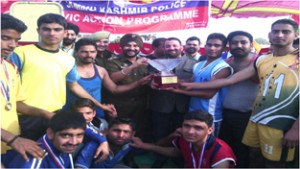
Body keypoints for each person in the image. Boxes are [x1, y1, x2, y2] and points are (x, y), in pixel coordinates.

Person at [180, 19, 299, 168]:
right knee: (252, 155)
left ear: (296, 35)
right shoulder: (262, 60)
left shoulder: (296, 58)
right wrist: (188, 84)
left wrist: (297, 128)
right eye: (275, 31)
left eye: (285, 32)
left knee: (276, 162)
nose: (279, 35)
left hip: (280, 120)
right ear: (269, 35)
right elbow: (230, 81)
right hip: (255, 118)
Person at [9, 13, 116, 141]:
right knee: (25, 156)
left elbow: (74, 85)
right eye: (46, 29)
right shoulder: (20, 53)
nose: (52, 33)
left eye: (57, 29)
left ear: (64, 32)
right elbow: (8, 86)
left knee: (52, 155)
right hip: (25, 115)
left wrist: (100, 105)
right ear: (38, 30)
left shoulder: (68, 59)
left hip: (56, 114)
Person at [1, 13, 54, 166]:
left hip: (8, 144)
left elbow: (16, 104)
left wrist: (46, 114)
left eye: (16, 40)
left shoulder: (10, 68)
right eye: (5, 38)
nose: (12, 45)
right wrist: (13, 139)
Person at [63, 38, 151, 120]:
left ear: (96, 52)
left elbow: (115, 89)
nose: (89, 55)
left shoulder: (101, 70)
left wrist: (139, 82)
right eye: (84, 52)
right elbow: (75, 88)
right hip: (72, 113)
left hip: (96, 114)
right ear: (76, 52)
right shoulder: (68, 69)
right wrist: (101, 106)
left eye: (92, 51)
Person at [169, 33, 232, 137]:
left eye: (217, 45)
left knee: (207, 147)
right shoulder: (198, 65)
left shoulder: (223, 68)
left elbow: (208, 94)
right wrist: (166, 77)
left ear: (224, 48)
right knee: (191, 143)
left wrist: (178, 90)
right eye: (209, 44)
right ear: (205, 46)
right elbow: (189, 81)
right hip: (193, 111)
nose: (212, 48)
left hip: (210, 114)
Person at [149, 37, 198, 167]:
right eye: (168, 46)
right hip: (161, 104)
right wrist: (151, 83)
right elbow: (150, 78)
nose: (171, 48)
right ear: (164, 48)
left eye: (174, 45)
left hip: (182, 105)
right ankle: (160, 157)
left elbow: (196, 81)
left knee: (181, 133)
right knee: (160, 132)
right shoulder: (156, 62)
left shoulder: (194, 63)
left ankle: (180, 156)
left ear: (181, 47)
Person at [131, 110, 237, 168]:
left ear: (210, 130)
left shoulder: (220, 152)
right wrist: (143, 145)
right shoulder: (186, 139)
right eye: (186, 126)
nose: (190, 131)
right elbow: (175, 152)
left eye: (198, 128)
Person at [7, 111, 109, 168]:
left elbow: (87, 129)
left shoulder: (60, 146)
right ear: (50, 133)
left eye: (79, 135)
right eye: (66, 135)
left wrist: (103, 141)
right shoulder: (35, 159)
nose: (73, 142)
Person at [219, 31, 259, 168]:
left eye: (243, 42)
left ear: (251, 44)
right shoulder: (226, 62)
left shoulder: (259, 62)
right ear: (229, 45)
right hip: (225, 113)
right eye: (234, 43)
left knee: (243, 151)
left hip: (247, 115)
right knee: (226, 148)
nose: (239, 45)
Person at [105, 33, 150, 138]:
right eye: (128, 45)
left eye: (135, 46)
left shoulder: (146, 62)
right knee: (119, 131)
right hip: (120, 104)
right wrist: (134, 65)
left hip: (140, 103)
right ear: (122, 47)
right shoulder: (113, 62)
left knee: (137, 130)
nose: (132, 48)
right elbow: (112, 79)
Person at [72, 100, 137, 168]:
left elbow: (115, 126)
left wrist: (114, 118)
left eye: (88, 113)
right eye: (80, 114)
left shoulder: (101, 123)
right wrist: (103, 141)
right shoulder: (72, 126)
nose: (121, 135)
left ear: (94, 113)